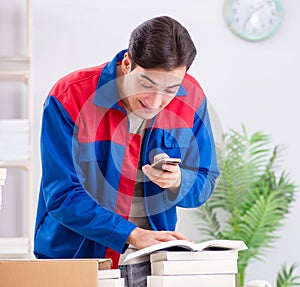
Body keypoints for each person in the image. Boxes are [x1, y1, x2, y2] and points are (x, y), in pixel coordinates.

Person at [34, 15, 220, 287]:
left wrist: (179, 181)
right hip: (74, 258)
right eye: (146, 84)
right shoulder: (69, 97)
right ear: (127, 63)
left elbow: (205, 180)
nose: (156, 101)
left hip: (151, 262)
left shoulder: (192, 99)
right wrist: (131, 233)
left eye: (171, 89)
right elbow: (62, 195)